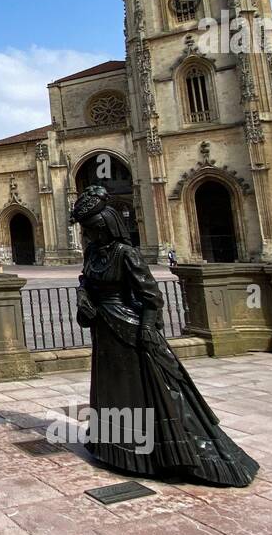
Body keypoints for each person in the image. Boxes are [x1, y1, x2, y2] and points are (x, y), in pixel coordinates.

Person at [72, 185, 258, 487]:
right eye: (85, 229)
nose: (89, 234)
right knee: (114, 390)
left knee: (150, 392)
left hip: (130, 331)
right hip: (104, 331)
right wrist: (84, 298)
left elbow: (152, 297)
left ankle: (163, 454)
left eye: (92, 228)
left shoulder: (126, 253)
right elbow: (86, 281)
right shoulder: (94, 253)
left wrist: (147, 331)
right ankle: (115, 449)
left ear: (105, 225)